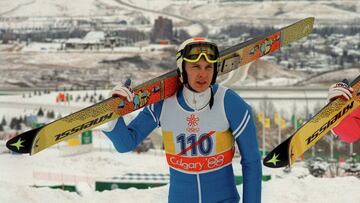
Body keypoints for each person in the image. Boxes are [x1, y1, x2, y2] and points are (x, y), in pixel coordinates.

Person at [102, 38, 262, 203]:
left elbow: (252, 162)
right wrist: (114, 111)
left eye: (209, 67)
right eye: (195, 67)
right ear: (182, 68)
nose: (203, 74)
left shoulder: (229, 102)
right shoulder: (163, 103)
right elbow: (125, 143)